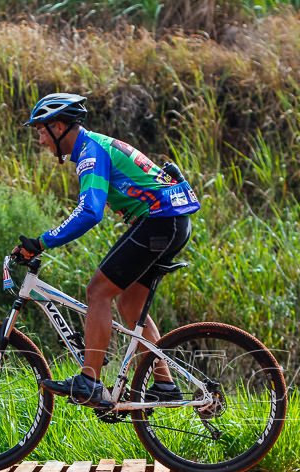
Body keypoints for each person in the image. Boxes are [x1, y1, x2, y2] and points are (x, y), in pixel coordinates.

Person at [11, 92, 201, 408]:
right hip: (171, 222)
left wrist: (42, 242)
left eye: (42, 131)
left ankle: (90, 380)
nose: (41, 140)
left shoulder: (91, 152)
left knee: (98, 291)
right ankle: (165, 383)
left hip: (160, 221)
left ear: (59, 127)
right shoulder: (96, 146)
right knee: (128, 303)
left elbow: (90, 212)